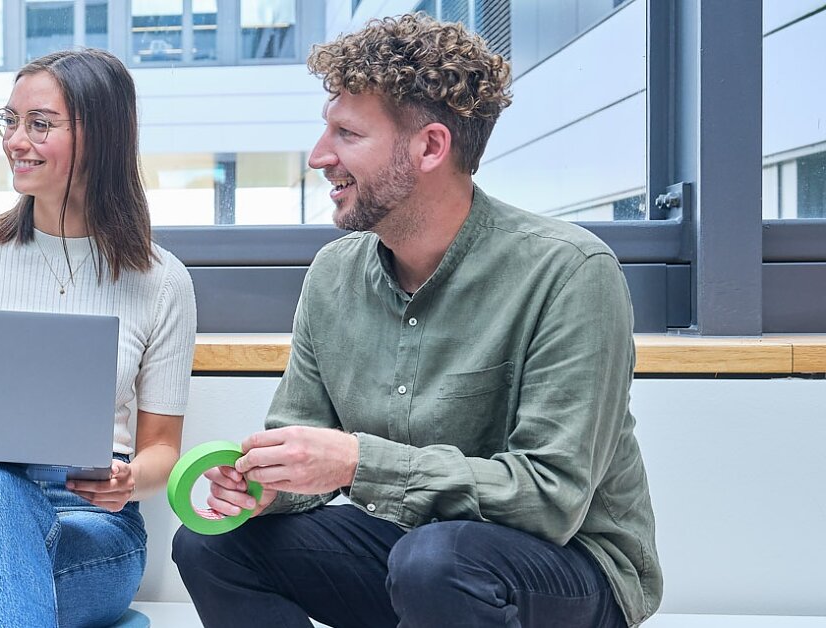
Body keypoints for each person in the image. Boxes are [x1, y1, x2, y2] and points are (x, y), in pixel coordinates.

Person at [170, 14, 660, 628]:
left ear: (430, 146)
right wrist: (270, 488)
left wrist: (355, 463)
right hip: (412, 555)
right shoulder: (333, 275)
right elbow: (307, 452)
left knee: (437, 561)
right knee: (212, 544)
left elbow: (549, 499)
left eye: (347, 134)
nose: (320, 156)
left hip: (566, 568)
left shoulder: (569, 272)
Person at [0, 48, 199, 628]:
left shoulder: (161, 280)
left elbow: (162, 450)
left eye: (40, 124)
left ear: (101, 137)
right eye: (11, 120)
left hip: (92, 528)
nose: (15, 141)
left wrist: (128, 480)